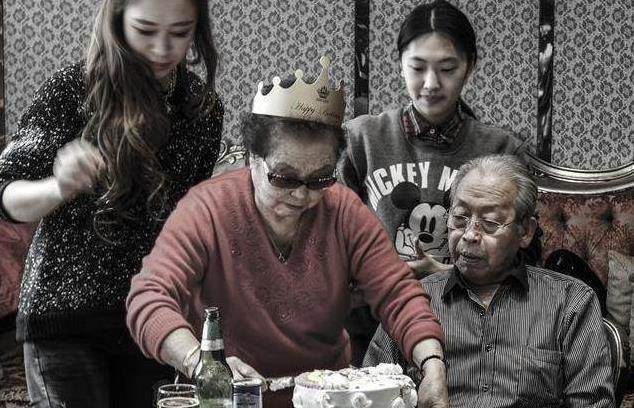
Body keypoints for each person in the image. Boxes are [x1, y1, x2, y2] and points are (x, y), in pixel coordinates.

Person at [126, 57, 449, 408]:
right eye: (284, 178)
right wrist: (202, 364)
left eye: (320, 179)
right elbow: (149, 297)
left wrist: (433, 367)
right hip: (225, 398)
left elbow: (399, 294)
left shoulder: (343, 211)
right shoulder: (207, 209)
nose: (301, 195)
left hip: (322, 398)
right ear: (252, 159)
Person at [0, 0, 223, 406]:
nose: (162, 48)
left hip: (152, 318)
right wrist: (57, 187)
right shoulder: (71, 89)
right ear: (117, 22)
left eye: (179, 32)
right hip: (63, 318)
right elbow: (8, 197)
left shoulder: (202, 107)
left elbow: (187, 224)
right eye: (146, 30)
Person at [340, 0, 528, 366]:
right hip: (370, 330)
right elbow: (330, 238)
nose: (431, 83)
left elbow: (521, 259)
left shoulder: (501, 149)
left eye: (447, 68)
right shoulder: (361, 139)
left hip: (468, 332)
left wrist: (450, 276)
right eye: (417, 67)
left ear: (470, 67)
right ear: (400, 64)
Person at [364, 155, 615, 407]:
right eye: (460, 218)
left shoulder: (570, 302)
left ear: (525, 231)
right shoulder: (410, 302)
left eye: (490, 223)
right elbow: (368, 393)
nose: (469, 234)